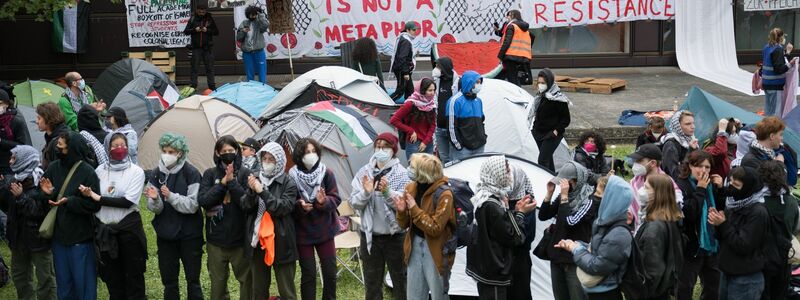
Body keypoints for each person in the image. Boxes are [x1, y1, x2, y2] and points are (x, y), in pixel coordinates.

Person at [80, 133, 146, 299]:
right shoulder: (99, 170)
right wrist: (88, 194)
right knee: (112, 278)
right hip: (105, 232)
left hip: (128, 231)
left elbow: (127, 202)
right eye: (115, 146)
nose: (119, 149)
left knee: (134, 276)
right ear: (107, 148)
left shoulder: (136, 172)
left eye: (122, 145)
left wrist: (98, 198)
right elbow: (91, 196)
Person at [39, 131, 101, 300]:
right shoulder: (53, 168)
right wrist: (47, 194)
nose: (57, 149)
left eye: (61, 146)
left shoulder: (88, 172)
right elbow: (43, 199)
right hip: (59, 238)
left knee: (84, 287)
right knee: (64, 286)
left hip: (81, 240)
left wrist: (70, 201)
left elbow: (94, 205)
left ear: (72, 149)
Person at [466, 155, 536, 299]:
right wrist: (520, 214)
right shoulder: (492, 205)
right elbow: (514, 237)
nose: (509, 175)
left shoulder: (485, 197)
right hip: (495, 269)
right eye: (507, 171)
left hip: (489, 266)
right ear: (497, 174)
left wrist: (515, 211)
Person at [349, 133, 409, 300]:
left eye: (385, 147)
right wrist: (366, 192)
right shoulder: (364, 173)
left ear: (393, 150)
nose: (380, 150)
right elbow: (354, 202)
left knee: (401, 281)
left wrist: (387, 192)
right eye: (378, 146)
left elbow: (403, 206)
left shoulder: (401, 173)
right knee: (372, 284)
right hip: (370, 236)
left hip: (395, 236)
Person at [145, 133, 205, 300]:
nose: (167, 154)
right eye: (164, 150)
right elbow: (154, 208)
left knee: (193, 280)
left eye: (171, 151)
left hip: (189, 235)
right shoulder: (156, 174)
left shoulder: (191, 173)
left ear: (180, 153)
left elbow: (193, 205)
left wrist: (171, 196)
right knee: (169, 281)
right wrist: (156, 200)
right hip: (166, 236)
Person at [554, 175, 634, 300]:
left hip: (605, 293)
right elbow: (600, 251)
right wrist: (577, 245)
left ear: (610, 199)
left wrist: (576, 250)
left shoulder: (619, 233)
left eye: (598, 193)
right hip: (596, 291)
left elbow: (597, 266)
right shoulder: (605, 222)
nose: (594, 197)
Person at [198, 135, 255, 300]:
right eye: (224, 151)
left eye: (231, 150)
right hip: (216, 239)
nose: (228, 153)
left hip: (240, 239)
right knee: (218, 284)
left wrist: (232, 183)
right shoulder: (210, 174)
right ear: (217, 152)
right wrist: (222, 183)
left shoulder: (245, 174)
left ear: (237, 151)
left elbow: (247, 203)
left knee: (246, 281)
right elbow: (204, 201)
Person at [395, 153, 455, 300]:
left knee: (438, 295)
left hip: (436, 249)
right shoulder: (411, 187)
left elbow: (435, 228)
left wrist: (414, 209)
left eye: (412, 167)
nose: (409, 169)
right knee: (414, 296)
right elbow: (403, 225)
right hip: (415, 244)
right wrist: (402, 212)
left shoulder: (445, 194)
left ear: (423, 172)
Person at [538, 161, 600, 300]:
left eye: (566, 183)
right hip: (557, 256)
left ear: (575, 182)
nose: (562, 187)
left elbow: (570, 222)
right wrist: (549, 194)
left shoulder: (589, 201)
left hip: (574, 260)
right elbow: (543, 215)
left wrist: (564, 197)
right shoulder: (563, 197)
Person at [0, 145, 56, 300]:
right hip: (18, 240)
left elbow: (39, 212)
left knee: (45, 277)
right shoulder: (13, 181)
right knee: (20, 276)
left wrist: (21, 198)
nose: (10, 161)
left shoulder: (42, 182)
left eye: (13, 158)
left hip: (39, 239)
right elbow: (7, 208)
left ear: (24, 161)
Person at [289, 138, 341, 300]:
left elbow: (336, 198)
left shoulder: (327, 173)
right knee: (309, 273)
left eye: (313, 151)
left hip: (325, 230)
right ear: (299, 156)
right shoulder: (291, 176)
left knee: (330, 272)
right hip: (303, 233)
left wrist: (324, 202)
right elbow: (289, 205)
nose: (311, 155)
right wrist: (300, 206)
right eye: (306, 152)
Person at [244, 142, 298, 300]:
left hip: (281, 242)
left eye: (271, 159)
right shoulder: (254, 177)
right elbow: (245, 206)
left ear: (280, 161)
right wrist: (252, 193)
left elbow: (282, 208)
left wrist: (262, 192)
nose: (266, 163)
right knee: (259, 290)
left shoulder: (288, 183)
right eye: (264, 159)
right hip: (257, 241)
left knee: (286, 290)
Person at [708, 167, 769, 300]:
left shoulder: (758, 212)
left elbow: (743, 245)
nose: (731, 187)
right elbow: (724, 238)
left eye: (736, 185)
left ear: (747, 188)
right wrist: (717, 222)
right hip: (727, 271)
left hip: (746, 278)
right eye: (730, 182)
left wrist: (723, 225)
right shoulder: (733, 204)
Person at [674, 150, 724, 300]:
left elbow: (720, 208)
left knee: (713, 285)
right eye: (699, 166)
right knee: (685, 286)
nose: (703, 170)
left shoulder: (710, 185)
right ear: (690, 165)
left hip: (711, 243)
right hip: (691, 245)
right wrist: (701, 189)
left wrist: (720, 189)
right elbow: (689, 213)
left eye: (707, 167)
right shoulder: (681, 185)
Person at [634, 174, 685, 300]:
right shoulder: (668, 218)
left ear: (658, 193)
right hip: (663, 289)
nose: (641, 191)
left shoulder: (654, 229)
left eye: (646, 188)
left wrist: (640, 293)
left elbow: (653, 270)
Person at [758, 160, 800, 300]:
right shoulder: (792, 201)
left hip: (760, 258)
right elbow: (795, 228)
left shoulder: (755, 201)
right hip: (784, 256)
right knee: (780, 294)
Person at [628, 144, 684, 231]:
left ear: (653, 163)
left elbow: (673, 210)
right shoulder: (634, 182)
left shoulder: (667, 183)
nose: (635, 164)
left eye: (639, 161)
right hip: (639, 231)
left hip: (658, 232)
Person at [529, 68, 571, 172]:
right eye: (539, 82)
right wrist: (534, 128)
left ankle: (546, 182)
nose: (540, 85)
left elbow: (566, 119)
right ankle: (552, 181)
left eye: (543, 83)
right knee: (547, 159)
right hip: (539, 133)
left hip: (551, 134)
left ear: (549, 82)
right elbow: (537, 114)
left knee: (542, 160)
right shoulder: (540, 96)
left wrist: (556, 131)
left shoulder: (558, 99)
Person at [507, 163, 537, 300]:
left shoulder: (526, 201)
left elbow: (526, 237)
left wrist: (517, 214)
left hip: (519, 259)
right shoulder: (501, 198)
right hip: (503, 260)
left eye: (510, 178)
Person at [742, 117, 798, 186]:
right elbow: (772, 187)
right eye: (780, 135)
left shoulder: (774, 153)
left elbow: (791, 180)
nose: (782, 138)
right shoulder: (751, 161)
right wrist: (780, 164)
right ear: (772, 136)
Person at [390, 78, 437, 160]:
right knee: (414, 171)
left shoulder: (431, 104)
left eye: (434, 90)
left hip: (428, 142)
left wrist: (426, 141)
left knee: (428, 171)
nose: (432, 93)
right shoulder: (410, 104)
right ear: (422, 90)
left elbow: (433, 125)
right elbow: (394, 120)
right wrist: (411, 131)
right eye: (430, 90)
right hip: (413, 143)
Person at [446, 70, 487, 161]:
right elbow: (451, 127)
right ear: (469, 82)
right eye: (476, 82)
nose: (478, 85)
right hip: (463, 150)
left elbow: (481, 121)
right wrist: (459, 146)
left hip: (479, 147)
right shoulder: (455, 101)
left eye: (480, 82)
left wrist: (483, 138)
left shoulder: (478, 101)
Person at [184, 3, 219, 91]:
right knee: (194, 68)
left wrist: (207, 30)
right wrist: (194, 30)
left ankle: (212, 86)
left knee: (209, 68)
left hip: (208, 48)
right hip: (196, 48)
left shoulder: (209, 19)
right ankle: (193, 85)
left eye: (203, 11)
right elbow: (186, 31)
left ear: (205, 11)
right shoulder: (192, 19)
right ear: (197, 10)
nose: (202, 12)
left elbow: (216, 32)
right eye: (200, 11)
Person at [760, 28, 795, 116]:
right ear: (780, 38)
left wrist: (787, 53)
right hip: (775, 85)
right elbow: (779, 69)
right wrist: (791, 64)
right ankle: (773, 129)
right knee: (775, 113)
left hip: (767, 83)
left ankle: (766, 128)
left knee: (769, 110)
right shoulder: (778, 49)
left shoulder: (767, 47)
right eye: (783, 36)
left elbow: (774, 62)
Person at [494, 10, 532, 86]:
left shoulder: (512, 26)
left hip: (510, 56)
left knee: (513, 80)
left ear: (513, 15)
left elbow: (507, 42)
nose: (507, 17)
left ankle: (517, 96)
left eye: (509, 15)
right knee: (515, 79)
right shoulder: (525, 28)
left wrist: (500, 56)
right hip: (523, 57)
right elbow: (532, 38)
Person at [0, 89, 32, 174]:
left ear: (7, 104)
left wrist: (2, 142)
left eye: (0, 103)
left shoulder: (16, 121)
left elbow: (23, 145)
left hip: (11, 166)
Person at [432, 57, 457, 163]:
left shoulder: (456, 82)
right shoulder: (436, 81)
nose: (436, 69)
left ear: (444, 68)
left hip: (452, 128)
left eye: (438, 66)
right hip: (439, 127)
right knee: (443, 157)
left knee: (454, 157)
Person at [236, 5, 269, 84]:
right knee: (249, 72)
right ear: (248, 14)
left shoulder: (259, 23)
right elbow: (238, 38)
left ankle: (263, 87)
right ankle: (251, 88)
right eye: (251, 14)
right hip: (247, 53)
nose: (253, 16)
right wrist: (243, 31)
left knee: (262, 71)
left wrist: (260, 14)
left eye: (254, 14)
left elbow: (266, 25)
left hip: (259, 51)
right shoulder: (244, 23)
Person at [662, 110, 698, 180]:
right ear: (678, 126)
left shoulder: (691, 139)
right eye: (688, 124)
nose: (693, 127)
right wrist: (690, 150)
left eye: (693, 123)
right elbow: (675, 173)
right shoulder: (670, 144)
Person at [389, 21, 418, 102]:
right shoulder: (406, 41)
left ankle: (409, 106)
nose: (416, 32)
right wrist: (405, 72)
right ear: (407, 30)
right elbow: (402, 57)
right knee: (400, 91)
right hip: (402, 69)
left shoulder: (404, 38)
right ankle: (387, 102)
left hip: (403, 69)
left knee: (410, 91)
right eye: (413, 30)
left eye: (416, 30)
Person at [35, 103, 70, 170]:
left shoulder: (59, 142)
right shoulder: (52, 137)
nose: (36, 121)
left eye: (39, 118)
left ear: (48, 119)